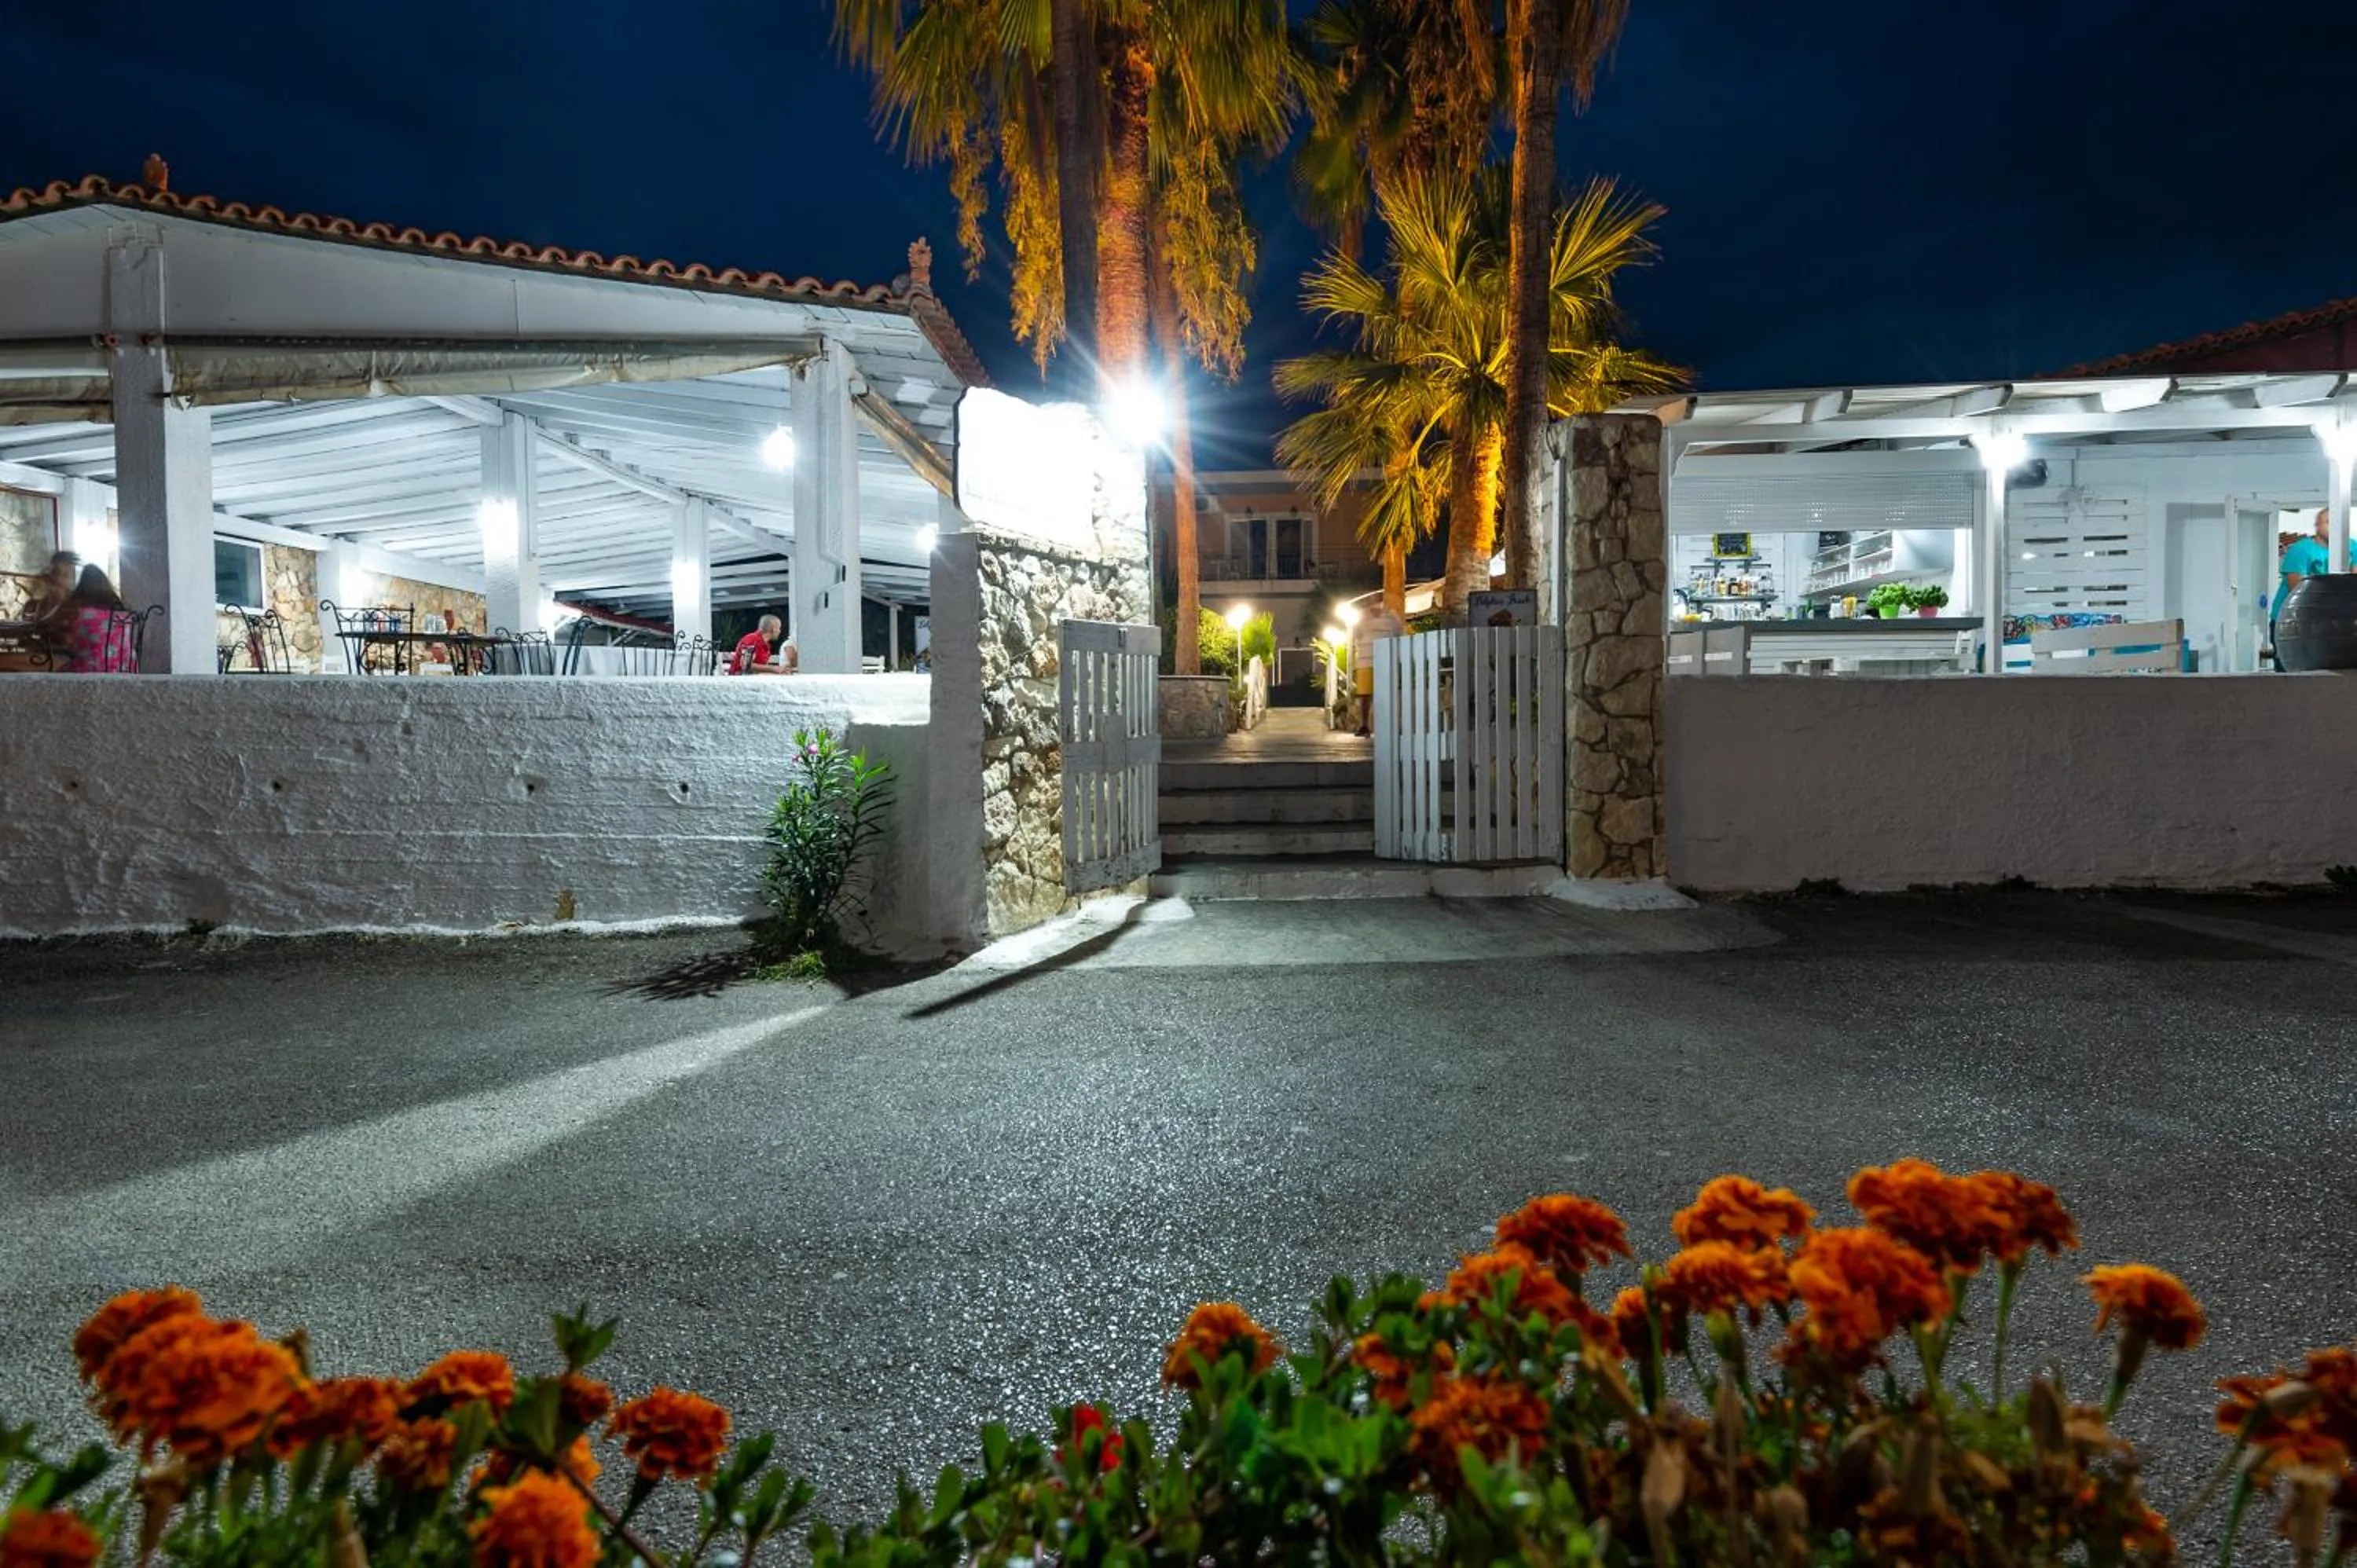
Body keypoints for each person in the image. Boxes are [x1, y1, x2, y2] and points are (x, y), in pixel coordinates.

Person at [2272, 509, 2331, 672]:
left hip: (2324, 622)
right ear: (2317, 526)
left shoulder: (2351, 548)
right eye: (2328, 522)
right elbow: (2297, 591)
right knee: (2290, 670)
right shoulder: (2301, 550)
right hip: (2291, 620)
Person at [60, 563, 135, 672]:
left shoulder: (79, 612)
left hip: (92, 670)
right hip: (126, 669)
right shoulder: (122, 612)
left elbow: (68, 641)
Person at [1349, 599, 1407, 735]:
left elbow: (1399, 633)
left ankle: (1388, 725)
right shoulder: (1361, 617)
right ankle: (1364, 725)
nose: (1372, 602)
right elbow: (1356, 634)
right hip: (1365, 659)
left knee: (1386, 694)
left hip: (1386, 659)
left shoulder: (1391, 616)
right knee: (1365, 695)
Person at [728, 614, 797, 676]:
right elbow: (746, 665)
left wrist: (780, 671)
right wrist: (774, 669)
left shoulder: (766, 645)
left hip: (753, 678)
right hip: (739, 678)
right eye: (779, 628)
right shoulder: (751, 640)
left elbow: (759, 670)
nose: (780, 631)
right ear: (773, 629)